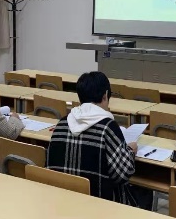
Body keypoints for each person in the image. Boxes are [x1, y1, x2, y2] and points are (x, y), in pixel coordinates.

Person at [47, 71, 146, 207]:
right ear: (105, 95)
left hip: (63, 201)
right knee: (145, 193)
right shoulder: (108, 127)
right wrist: (130, 150)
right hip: (101, 206)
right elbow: (122, 174)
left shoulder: (62, 123)